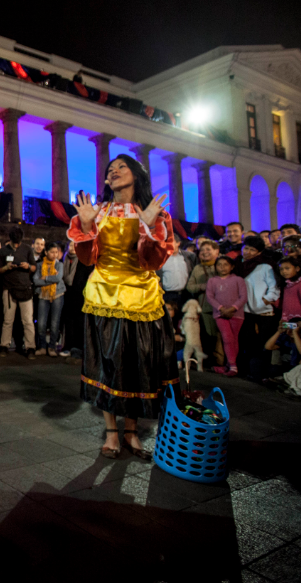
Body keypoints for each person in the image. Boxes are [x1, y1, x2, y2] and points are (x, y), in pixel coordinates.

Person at [68, 154, 176, 459]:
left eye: (121, 167)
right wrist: (88, 228)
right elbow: (88, 259)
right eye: (109, 169)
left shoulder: (153, 212)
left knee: (139, 364)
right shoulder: (97, 212)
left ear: (137, 175)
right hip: (104, 296)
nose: (114, 171)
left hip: (142, 297)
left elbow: (154, 260)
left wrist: (148, 224)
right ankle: (112, 433)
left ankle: (132, 431)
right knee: (109, 364)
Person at [236, 236, 280, 371]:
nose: (247, 252)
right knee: (247, 340)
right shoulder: (238, 264)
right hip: (245, 309)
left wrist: (267, 299)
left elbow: (274, 286)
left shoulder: (265, 266)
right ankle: (248, 369)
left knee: (263, 341)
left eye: (252, 250)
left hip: (264, 310)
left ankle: (261, 370)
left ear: (259, 252)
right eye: (246, 248)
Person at [0, 226, 37, 359]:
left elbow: (34, 267)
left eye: (18, 243)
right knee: (8, 320)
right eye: (14, 243)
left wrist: (28, 266)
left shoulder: (27, 249)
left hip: (25, 288)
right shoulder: (3, 251)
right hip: (9, 289)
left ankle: (30, 347)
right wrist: (7, 267)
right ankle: (4, 346)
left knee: (28, 320)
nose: (17, 245)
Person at [206, 255, 247, 376]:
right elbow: (210, 297)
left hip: (236, 313)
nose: (222, 267)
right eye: (219, 265)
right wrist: (221, 308)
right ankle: (233, 366)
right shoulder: (212, 281)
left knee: (234, 339)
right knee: (227, 337)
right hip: (220, 314)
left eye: (226, 264)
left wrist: (233, 308)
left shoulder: (238, 280)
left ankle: (229, 365)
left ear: (232, 266)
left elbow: (243, 297)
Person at [186, 240, 222, 367]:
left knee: (221, 336)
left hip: (223, 306)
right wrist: (204, 286)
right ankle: (209, 362)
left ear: (217, 251)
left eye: (208, 249)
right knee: (208, 336)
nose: (205, 252)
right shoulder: (197, 268)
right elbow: (190, 287)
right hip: (205, 307)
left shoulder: (222, 265)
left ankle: (221, 362)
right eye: (202, 250)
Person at [33, 242, 66, 357]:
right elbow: (36, 280)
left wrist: (46, 277)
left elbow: (58, 278)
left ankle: (52, 347)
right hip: (43, 295)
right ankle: (42, 346)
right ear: (46, 252)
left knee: (54, 323)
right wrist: (49, 280)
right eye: (52, 252)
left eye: (56, 252)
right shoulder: (39, 265)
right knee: (41, 323)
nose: (54, 254)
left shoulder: (59, 265)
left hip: (57, 295)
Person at [258, 317, 301, 383]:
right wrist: (279, 332)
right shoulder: (285, 338)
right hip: (280, 366)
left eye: (294, 328)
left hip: (293, 368)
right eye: (290, 327)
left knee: (275, 370)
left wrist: (295, 333)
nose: (291, 330)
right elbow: (268, 347)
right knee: (256, 362)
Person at [61, 244, 92, 359]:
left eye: (75, 245)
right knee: (68, 322)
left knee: (79, 322)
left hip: (80, 296)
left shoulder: (84, 261)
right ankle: (67, 346)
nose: (72, 247)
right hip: (67, 295)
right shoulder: (65, 260)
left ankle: (78, 348)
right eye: (71, 245)